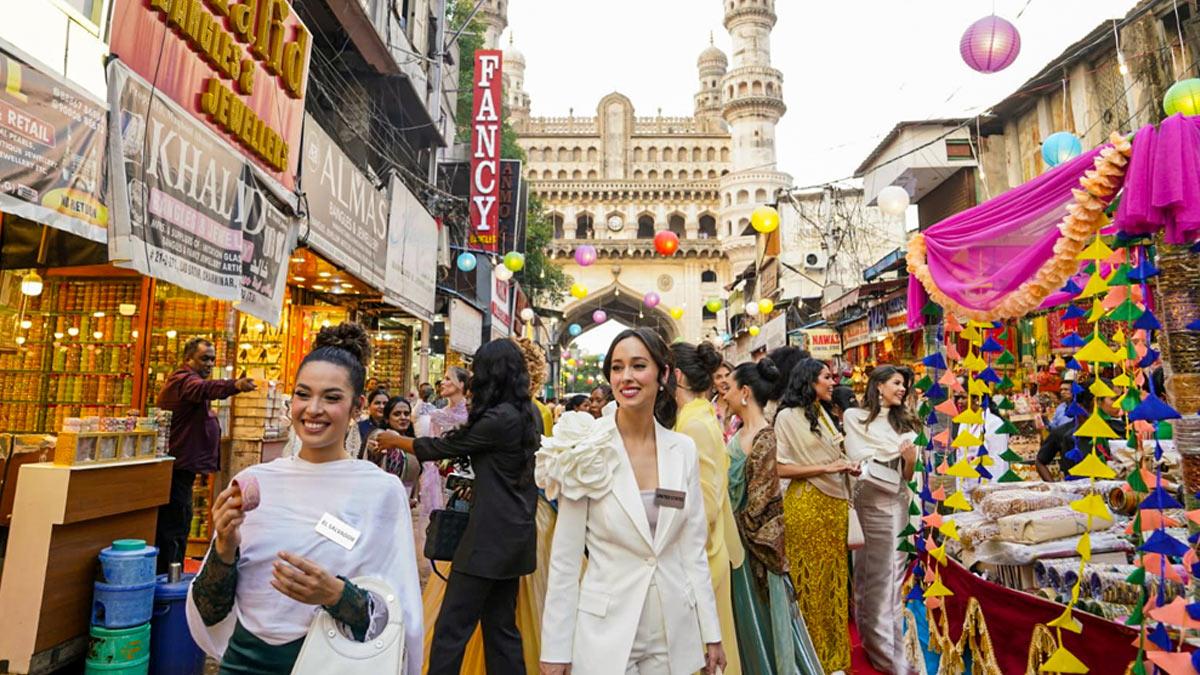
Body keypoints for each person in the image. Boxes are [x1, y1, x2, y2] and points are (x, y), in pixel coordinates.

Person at [185, 323, 422, 674]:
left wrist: (336, 595)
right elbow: (210, 610)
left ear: (357, 407)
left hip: (330, 663)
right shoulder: (254, 482)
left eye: (331, 397)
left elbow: (392, 618)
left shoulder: (379, 492)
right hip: (242, 664)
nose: (313, 409)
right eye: (302, 394)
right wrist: (224, 548)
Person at [540, 328, 725, 674]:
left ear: (664, 374)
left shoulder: (682, 450)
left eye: (638, 366)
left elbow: (692, 549)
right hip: (604, 632)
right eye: (617, 367)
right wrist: (555, 651)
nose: (626, 377)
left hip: (673, 631)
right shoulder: (586, 450)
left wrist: (711, 632)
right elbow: (565, 560)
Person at [381, 340, 540, 674]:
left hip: (487, 537)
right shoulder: (527, 414)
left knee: (452, 629)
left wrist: (395, 440)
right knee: (501, 629)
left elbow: (445, 446)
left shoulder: (498, 418)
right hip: (516, 534)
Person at [723, 358, 823, 674]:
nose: (723, 395)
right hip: (733, 540)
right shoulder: (741, 432)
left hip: (749, 548)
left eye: (728, 388)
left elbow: (764, 500)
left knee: (759, 623)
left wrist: (733, 524)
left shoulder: (763, 435)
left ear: (745, 392)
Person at [774, 358, 854, 672]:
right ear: (809, 380)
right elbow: (780, 468)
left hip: (834, 506)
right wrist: (826, 468)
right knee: (808, 583)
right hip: (806, 507)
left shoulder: (822, 413)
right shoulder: (786, 418)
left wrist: (845, 465)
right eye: (826, 377)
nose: (833, 382)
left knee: (833, 580)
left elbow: (833, 454)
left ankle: (834, 657)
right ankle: (809, 659)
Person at [670, 340, 744, 675]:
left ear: (675, 375)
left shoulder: (693, 424)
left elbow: (703, 504)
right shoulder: (696, 415)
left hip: (701, 553)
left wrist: (655, 496)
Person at [156, 337, 257, 573]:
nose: (210, 364)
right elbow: (204, 389)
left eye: (212, 359)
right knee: (175, 524)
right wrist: (236, 385)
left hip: (183, 467)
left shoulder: (189, 382)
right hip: (177, 468)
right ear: (188, 359)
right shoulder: (184, 381)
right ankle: (169, 576)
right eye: (204, 359)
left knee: (178, 522)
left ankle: (172, 572)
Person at [843, 365, 920, 674]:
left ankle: (892, 656)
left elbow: (907, 476)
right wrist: (889, 454)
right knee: (865, 576)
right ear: (878, 386)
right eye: (897, 383)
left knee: (889, 579)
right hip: (866, 502)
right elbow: (857, 456)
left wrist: (910, 459)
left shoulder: (906, 426)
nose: (902, 389)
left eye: (904, 384)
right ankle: (874, 646)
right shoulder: (855, 418)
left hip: (895, 505)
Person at [1036, 376, 1124, 481]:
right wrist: (1055, 488)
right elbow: (1040, 461)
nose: (1120, 403)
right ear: (1096, 402)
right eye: (1114, 399)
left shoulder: (1120, 430)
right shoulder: (1064, 433)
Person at [357, 387, 390, 452]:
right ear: (369, 406)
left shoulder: (393, 426)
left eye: (385, 403)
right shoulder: (359, 427)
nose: (382, 406)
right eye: (377, 403)